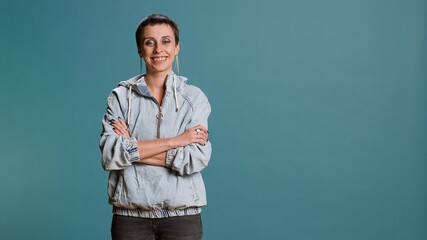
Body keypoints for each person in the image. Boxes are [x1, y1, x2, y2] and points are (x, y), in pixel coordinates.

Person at [99, 14, 211, 240]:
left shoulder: (195, 98)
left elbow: (196, 158)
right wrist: (176, 141)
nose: (158, 49)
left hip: (182, 217)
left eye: (166, 41)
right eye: (150, 42)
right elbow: (111, 154)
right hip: (129, 217)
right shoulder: (120, 97)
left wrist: (133, 148)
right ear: (140, 50)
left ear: (177, 47)